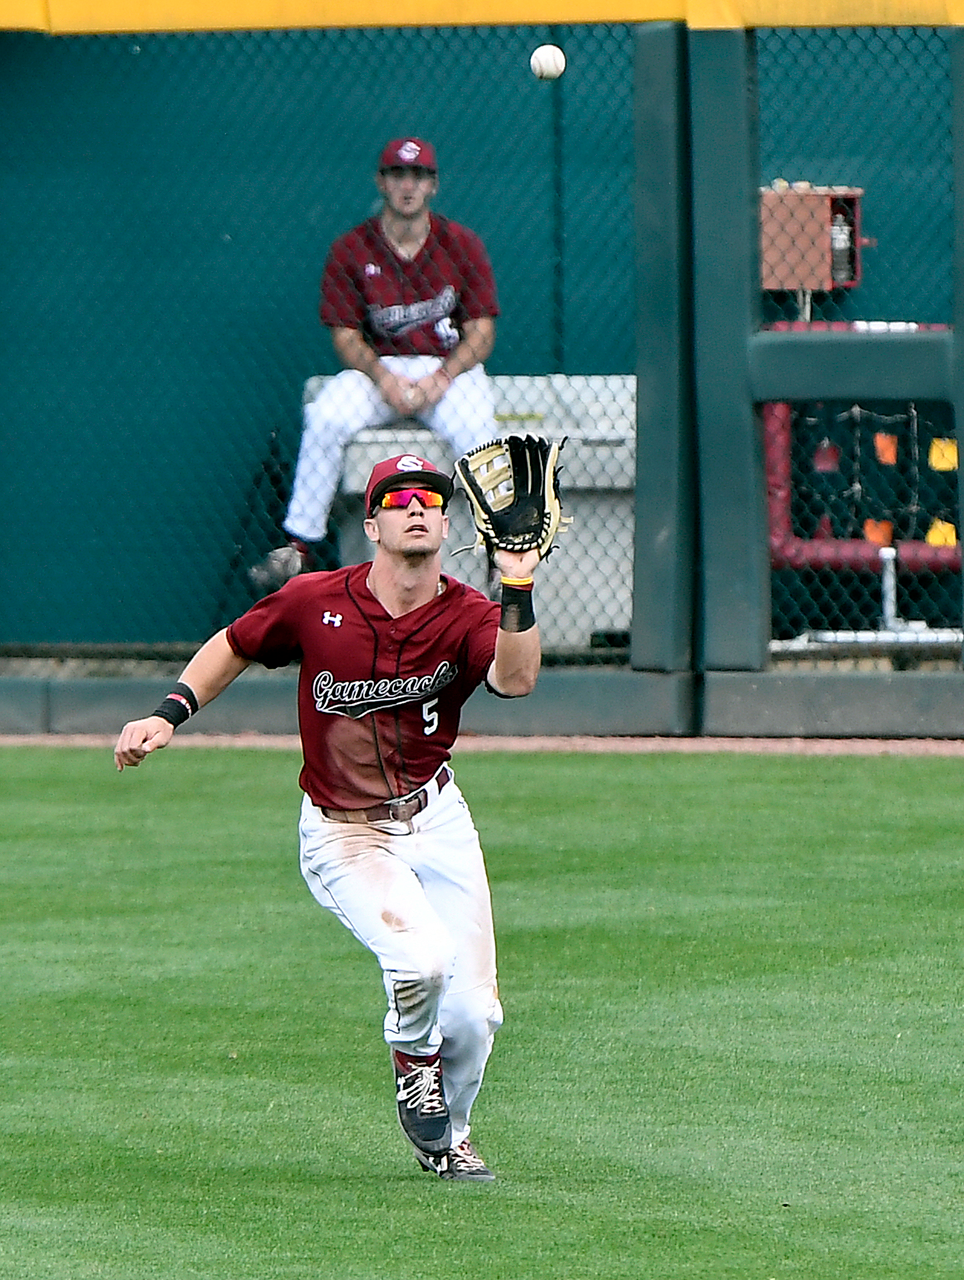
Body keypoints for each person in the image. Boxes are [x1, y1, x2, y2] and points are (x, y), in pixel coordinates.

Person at [116, 451, 543, 1182]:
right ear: (371, 523)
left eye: (431, 500)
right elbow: (234, 643)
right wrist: (170, 713)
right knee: (419, 960)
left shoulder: (472, 610)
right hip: (346, 831)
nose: (417, 508)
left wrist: (519, 581)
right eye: (399, 498)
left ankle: (449, 1139)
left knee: (475, 1016)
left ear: (447, 523)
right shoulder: (315, 600)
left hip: (436, 818)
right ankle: (415, 1067)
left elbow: (515, 677)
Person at [251, 137, 500, 592]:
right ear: (381, 182)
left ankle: (501, 555)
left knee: (478, 430)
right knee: (325, 416)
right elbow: (345, 335)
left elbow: (482, 332)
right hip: (377, 369)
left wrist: (443, 376)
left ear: (433, 186)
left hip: (448, 371)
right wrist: (382, 376)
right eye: (398, 175)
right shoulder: (352, 249)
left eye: (418, 176)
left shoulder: (461, 245)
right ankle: (296, 549)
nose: (408, 185)